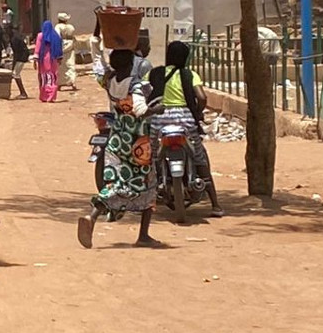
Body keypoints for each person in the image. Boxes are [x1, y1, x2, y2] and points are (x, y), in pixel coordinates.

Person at [77, 49, 158, 248]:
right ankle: (143, 235)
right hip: (137, 140)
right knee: (148, 183)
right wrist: (159, 108)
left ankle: (93, 215)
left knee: (117, 182)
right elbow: (140, 110)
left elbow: (97, 63)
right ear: (132, 65)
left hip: (117, 137)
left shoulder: (110, 82)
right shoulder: (136, 85)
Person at [148, 41, 225, 217]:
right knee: (199, 158)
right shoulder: (190, 74)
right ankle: (215, 204)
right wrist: (197, 113)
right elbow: (202, 97)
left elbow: (145, 92)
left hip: (159, 118)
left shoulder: (154, 73)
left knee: (151, 158)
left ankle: (147, 199)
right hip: (185, 119)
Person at [34, 20, 63, 103]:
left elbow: (37, 48)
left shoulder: (40, 36)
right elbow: (59, 49)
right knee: (53, 77)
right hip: (53, 60)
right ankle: (52, 96)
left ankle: (45, 96)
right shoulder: (56, 36)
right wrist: (59, 60)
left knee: (44, 78)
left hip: (43, 60)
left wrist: (35, 60)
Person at [55, 12, 77, 90]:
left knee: (61, 65)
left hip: (62, 45)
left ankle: (60, 83)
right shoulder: (71, 27)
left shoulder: (58, 27)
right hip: (70, 45)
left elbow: (57, 36)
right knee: (70, 64)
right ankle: (72, 82)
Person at [10, 32, 32, 100]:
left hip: (21, 57)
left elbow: (16, 53)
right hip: (23, 56)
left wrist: (13, 65)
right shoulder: (16, 37)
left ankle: (23, 93)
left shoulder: (14, 39)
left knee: (15, 74)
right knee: (16, 74)